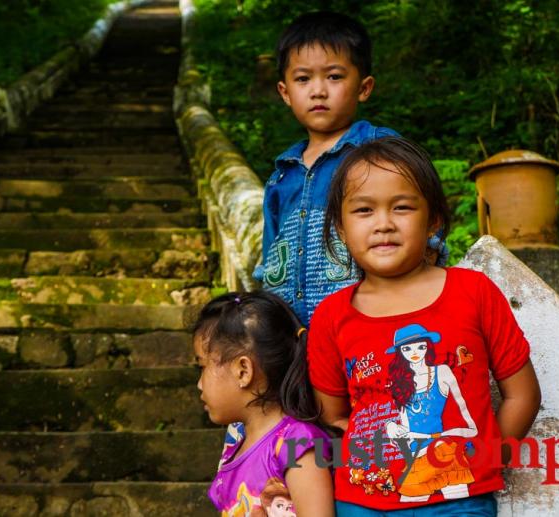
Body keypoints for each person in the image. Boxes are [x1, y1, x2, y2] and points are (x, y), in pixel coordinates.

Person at [307, 137, 541, 515]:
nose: (383, 224)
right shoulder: (331, 316)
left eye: (401, 207)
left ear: (432, 218)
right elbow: (332, 414)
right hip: (363, 503)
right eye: (364, 210)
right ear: (341, 226)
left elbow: (523, 394)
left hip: (458, 500)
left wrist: (487, 461)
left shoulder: (473, 292)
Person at [254, 10, 403, 326]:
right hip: (296, 337)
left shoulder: (378, 149)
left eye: (334, 77)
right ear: (285, 92)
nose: (318, 90)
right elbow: (269, 259)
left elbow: (420, 223)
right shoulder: (282, 175)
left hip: (366, 327)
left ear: (364, 87)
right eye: (303, 79)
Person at [195, 291, 334, 517]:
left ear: (243, 371)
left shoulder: (296, 444)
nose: (199, 384)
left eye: (202, 367)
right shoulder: (235, 446)